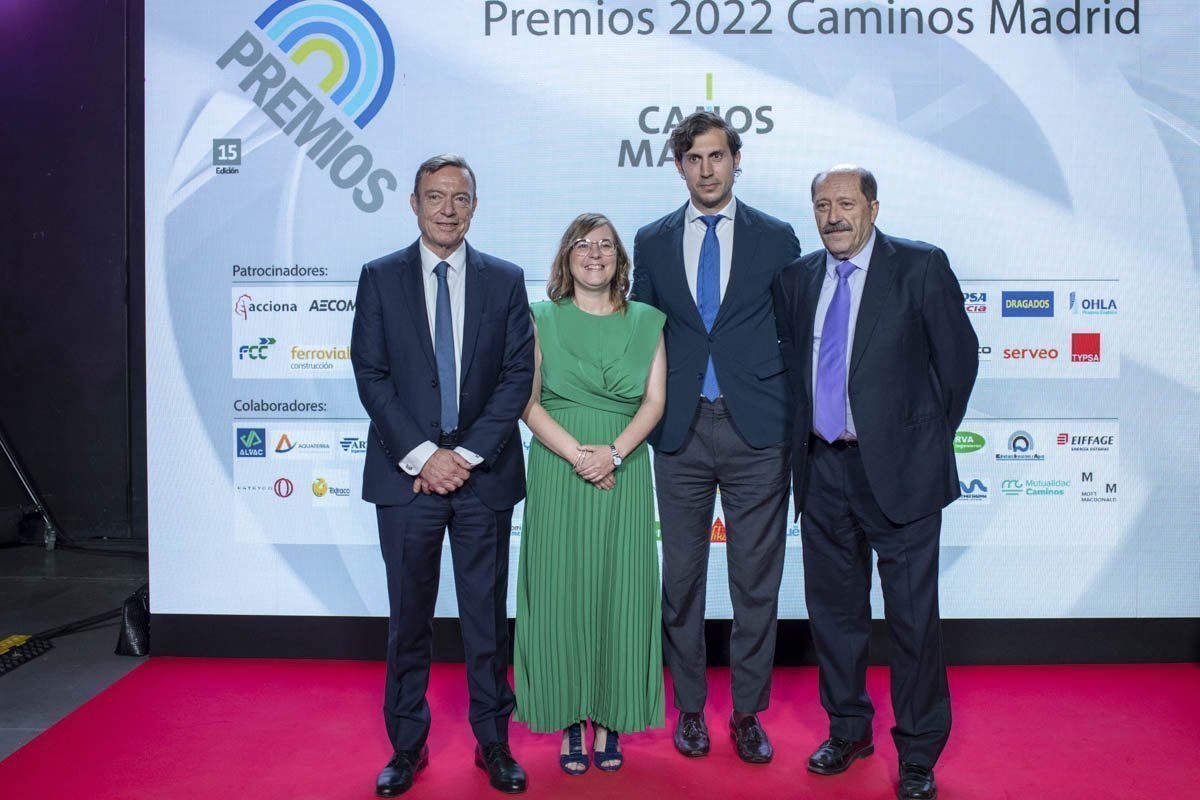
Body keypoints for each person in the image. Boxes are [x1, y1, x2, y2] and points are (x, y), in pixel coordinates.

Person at [772, 165, 978, 800]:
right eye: (822, 205)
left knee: (913, 621)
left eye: (846, 203)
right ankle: (848, 729)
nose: (833, 216)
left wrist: (918, 442)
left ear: (873, 208)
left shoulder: (920, 267)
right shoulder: (797, 278)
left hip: (902, 474)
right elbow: (795, 374)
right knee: (835, 616)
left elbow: (958, 365)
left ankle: (918, 753)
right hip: (822, 468)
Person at [350, 154, 534, 797]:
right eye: (435, 197)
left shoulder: (505, 280)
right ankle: (406, 746)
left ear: (474, 206)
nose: (448, 209)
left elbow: (516, 377)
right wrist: (424, 456)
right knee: (409, 620)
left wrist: (466, 456)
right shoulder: (380, 278)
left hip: (484, 477)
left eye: (460, 198)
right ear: (415, 203)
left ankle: (493, 742)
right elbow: (371, 375)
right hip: (407, 481)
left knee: (486, 619)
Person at [631, 111, 801, 764]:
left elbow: (794, 329)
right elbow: (643, 333)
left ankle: (749, 714)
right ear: (680, 167)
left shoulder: (777, 238)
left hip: (757, 430)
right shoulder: (651, 240)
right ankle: (692, 710)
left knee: (756, 582)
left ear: (736, 160)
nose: (707, 169)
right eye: (694, 159)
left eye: (717, 156)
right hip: (678, 429)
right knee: (682, 581)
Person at [514, 213, 667, 775]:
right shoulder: (540, 318)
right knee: (562, 592)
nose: (595, 253)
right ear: (566, 257)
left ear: (620, 259)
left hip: (624, 470)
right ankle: (570, 717)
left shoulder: (648, 320)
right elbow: (527, 401)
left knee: (620, 591)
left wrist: (614, 455)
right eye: (583, 244)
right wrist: (581, 457)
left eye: (606, 245)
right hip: (560, 469)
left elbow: (654, 402)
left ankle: (611, 715)